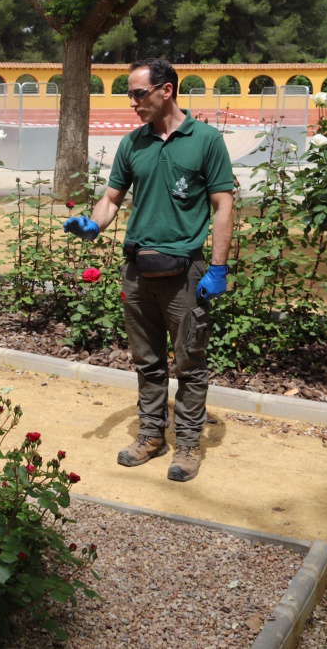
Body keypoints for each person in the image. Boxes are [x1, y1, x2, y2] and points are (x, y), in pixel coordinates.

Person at [63, 58, 235, 482]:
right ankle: (152, 435)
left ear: (166, 91)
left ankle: (190, 444)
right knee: (147, 361)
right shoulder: (132, 143)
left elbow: (223, 205)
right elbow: (112, 199)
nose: (132, 102)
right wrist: (93, 223)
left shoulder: (206, 140)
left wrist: (218, 267)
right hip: (138, 269)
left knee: (190, 362)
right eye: (130, 94)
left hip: (186, 272)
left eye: (139, 93)